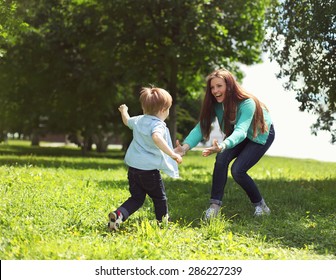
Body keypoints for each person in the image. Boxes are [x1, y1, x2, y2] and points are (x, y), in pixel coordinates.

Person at [175, 68, 275, 218]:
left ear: (229, 85)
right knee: (221, 159)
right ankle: (214, 207)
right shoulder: (216, 104)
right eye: (212, 87)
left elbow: (241, 130)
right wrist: (185, 147)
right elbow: (202, 126)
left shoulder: (247, 103)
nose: (215, 91)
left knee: (238, 170)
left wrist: (223, 145)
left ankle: (261, 206)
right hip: (237, 134)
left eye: (219, 86)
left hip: (259, 134)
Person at [108, 87, 182, 230]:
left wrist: (124, 111)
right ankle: (163, 223)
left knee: (136, 199)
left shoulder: (138, 120)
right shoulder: (157, 124)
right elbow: (156, 137)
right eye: (168, 110)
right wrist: (172, 154)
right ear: (162, 110)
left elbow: (127, 121)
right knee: (159, 198)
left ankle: (118, 215)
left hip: (133, 170)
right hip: (149, 172)